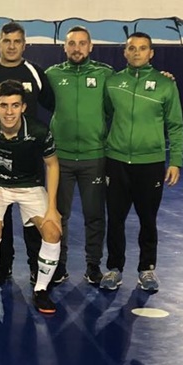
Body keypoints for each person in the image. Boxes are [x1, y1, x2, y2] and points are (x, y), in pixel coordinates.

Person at [0, 21, 55, 286]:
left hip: (29, 162)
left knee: (33, 223)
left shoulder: (35, 72)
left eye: (17, 41)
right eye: (7, 41)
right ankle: (2, 267)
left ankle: (35, 268)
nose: (12, 46)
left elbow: (51, 104)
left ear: (24, 45)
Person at [0, 80, 61, 314]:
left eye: (15, 105)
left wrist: (52, 208)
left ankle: (41, 289)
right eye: (4, 105)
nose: (9, 112)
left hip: (29, 186)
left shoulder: (38, 131)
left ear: (23, 107)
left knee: (52, 232)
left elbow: (52, 165)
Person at [100, 32, 183, 292]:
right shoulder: (113, 82)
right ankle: (114, 268)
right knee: (115, 219)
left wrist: (176, 160)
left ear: (151, 53)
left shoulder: (165, 84)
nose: (137, 52)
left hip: (150, 164)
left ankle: (146, 269)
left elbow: (176, 125)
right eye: (132, 48)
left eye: (142, 48)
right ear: (125, 52)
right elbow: (105, 115)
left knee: (148, 219)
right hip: (116, 162)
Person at [44, 26, 113, 284]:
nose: (77, 48)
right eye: (72, 43)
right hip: (59, 158)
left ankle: (93, 265)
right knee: (58, 214)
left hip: (94, 157)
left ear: (90, 46)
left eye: (82, 43)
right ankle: (58, 265)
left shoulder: (105, 74)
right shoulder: (52, 74)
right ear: (64, 47)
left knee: (94, 215)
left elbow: (115, 105)